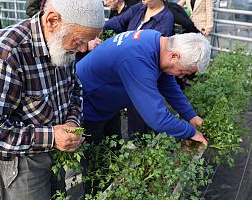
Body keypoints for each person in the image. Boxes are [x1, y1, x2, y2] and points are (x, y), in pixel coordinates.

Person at [0, 0, 104, 199]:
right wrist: (52, 137)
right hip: (19, 161)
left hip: (54, 151)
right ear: (52, 20)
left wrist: (72, 121)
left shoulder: (62, 45)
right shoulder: (7, 52)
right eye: (78, 40)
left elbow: (74, 89)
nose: (83, 49)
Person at [77, 29, 211, 146]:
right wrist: (190, 132)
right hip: (87, 103)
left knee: (112, 149)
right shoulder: (138, 59)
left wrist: (191, 116)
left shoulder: (158, 43)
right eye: (182, 71)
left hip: (106, 103)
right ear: (174, 56)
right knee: (96, 159)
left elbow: (168, 85)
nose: (181, 77)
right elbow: (157, 118)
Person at [104, 0, 174, 36]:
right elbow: (119, 21)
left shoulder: (166, 17)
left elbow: (154, 45)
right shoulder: (139, 7)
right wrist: (100, 27)